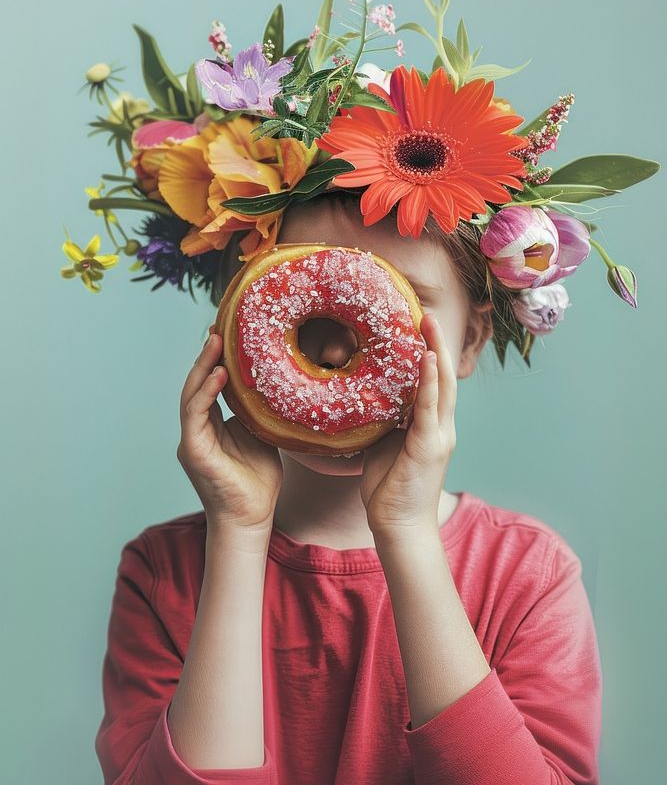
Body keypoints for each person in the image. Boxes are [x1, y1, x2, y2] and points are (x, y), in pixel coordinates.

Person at [94, 188, 603, 785]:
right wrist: (238, 530)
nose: (337, 350)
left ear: (468, 341)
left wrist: (407, 533)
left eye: (404, 297)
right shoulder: (163, 575)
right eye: (304, 278)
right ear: (236, 308)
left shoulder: (527, 577)